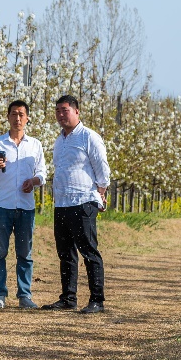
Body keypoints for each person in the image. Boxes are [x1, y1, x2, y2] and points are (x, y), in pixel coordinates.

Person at [43, 94, 111, 314]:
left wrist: (100, 191)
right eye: (58, 111)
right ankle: (68, 297)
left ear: (76, 111)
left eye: (65, 110)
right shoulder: (59, 140)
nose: (61, 115)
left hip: (83, 201)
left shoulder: (89, 137)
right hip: (61, 203)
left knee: (89, 251)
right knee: (65, 253)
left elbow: (102, 167)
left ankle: (97, 300)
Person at [0, 99, 47, 309]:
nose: (17, 118)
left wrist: (34, 181)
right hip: (2, 206)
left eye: (21, 114)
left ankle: (24, 295)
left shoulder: (35, 145)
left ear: (27, 118)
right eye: (13, 114)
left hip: (26, 207)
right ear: (8, 116)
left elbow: (42, 174)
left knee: (25, 254)